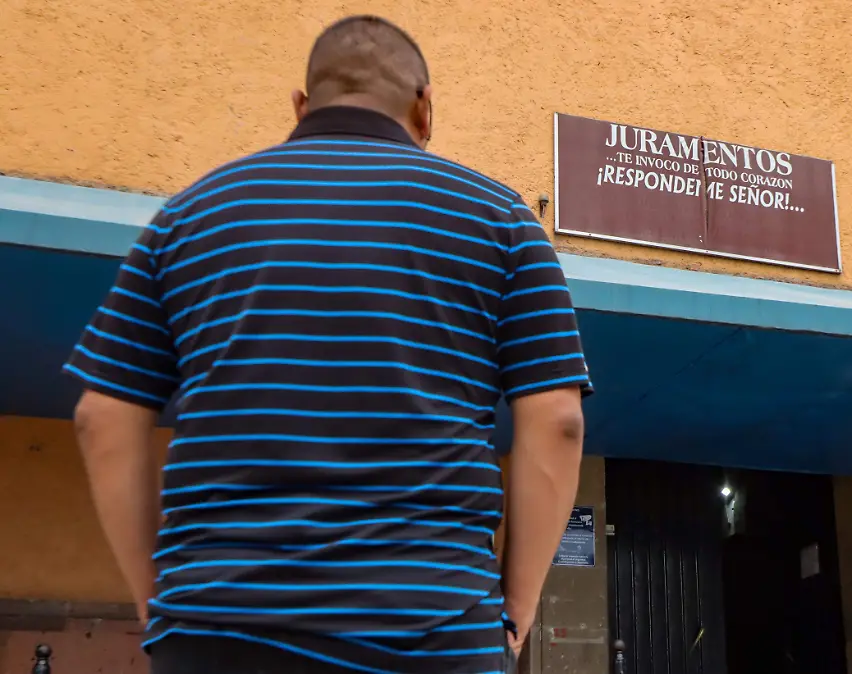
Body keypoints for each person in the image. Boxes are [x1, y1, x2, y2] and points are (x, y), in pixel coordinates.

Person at [65, 14, 590, 674]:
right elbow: (558, 422)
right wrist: (514, 612)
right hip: (433, 633)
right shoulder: (503, 222)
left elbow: (101, 416)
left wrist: (160, 607)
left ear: (301, 106)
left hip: (216, 631)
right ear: (425, 108)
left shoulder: (188, 217)